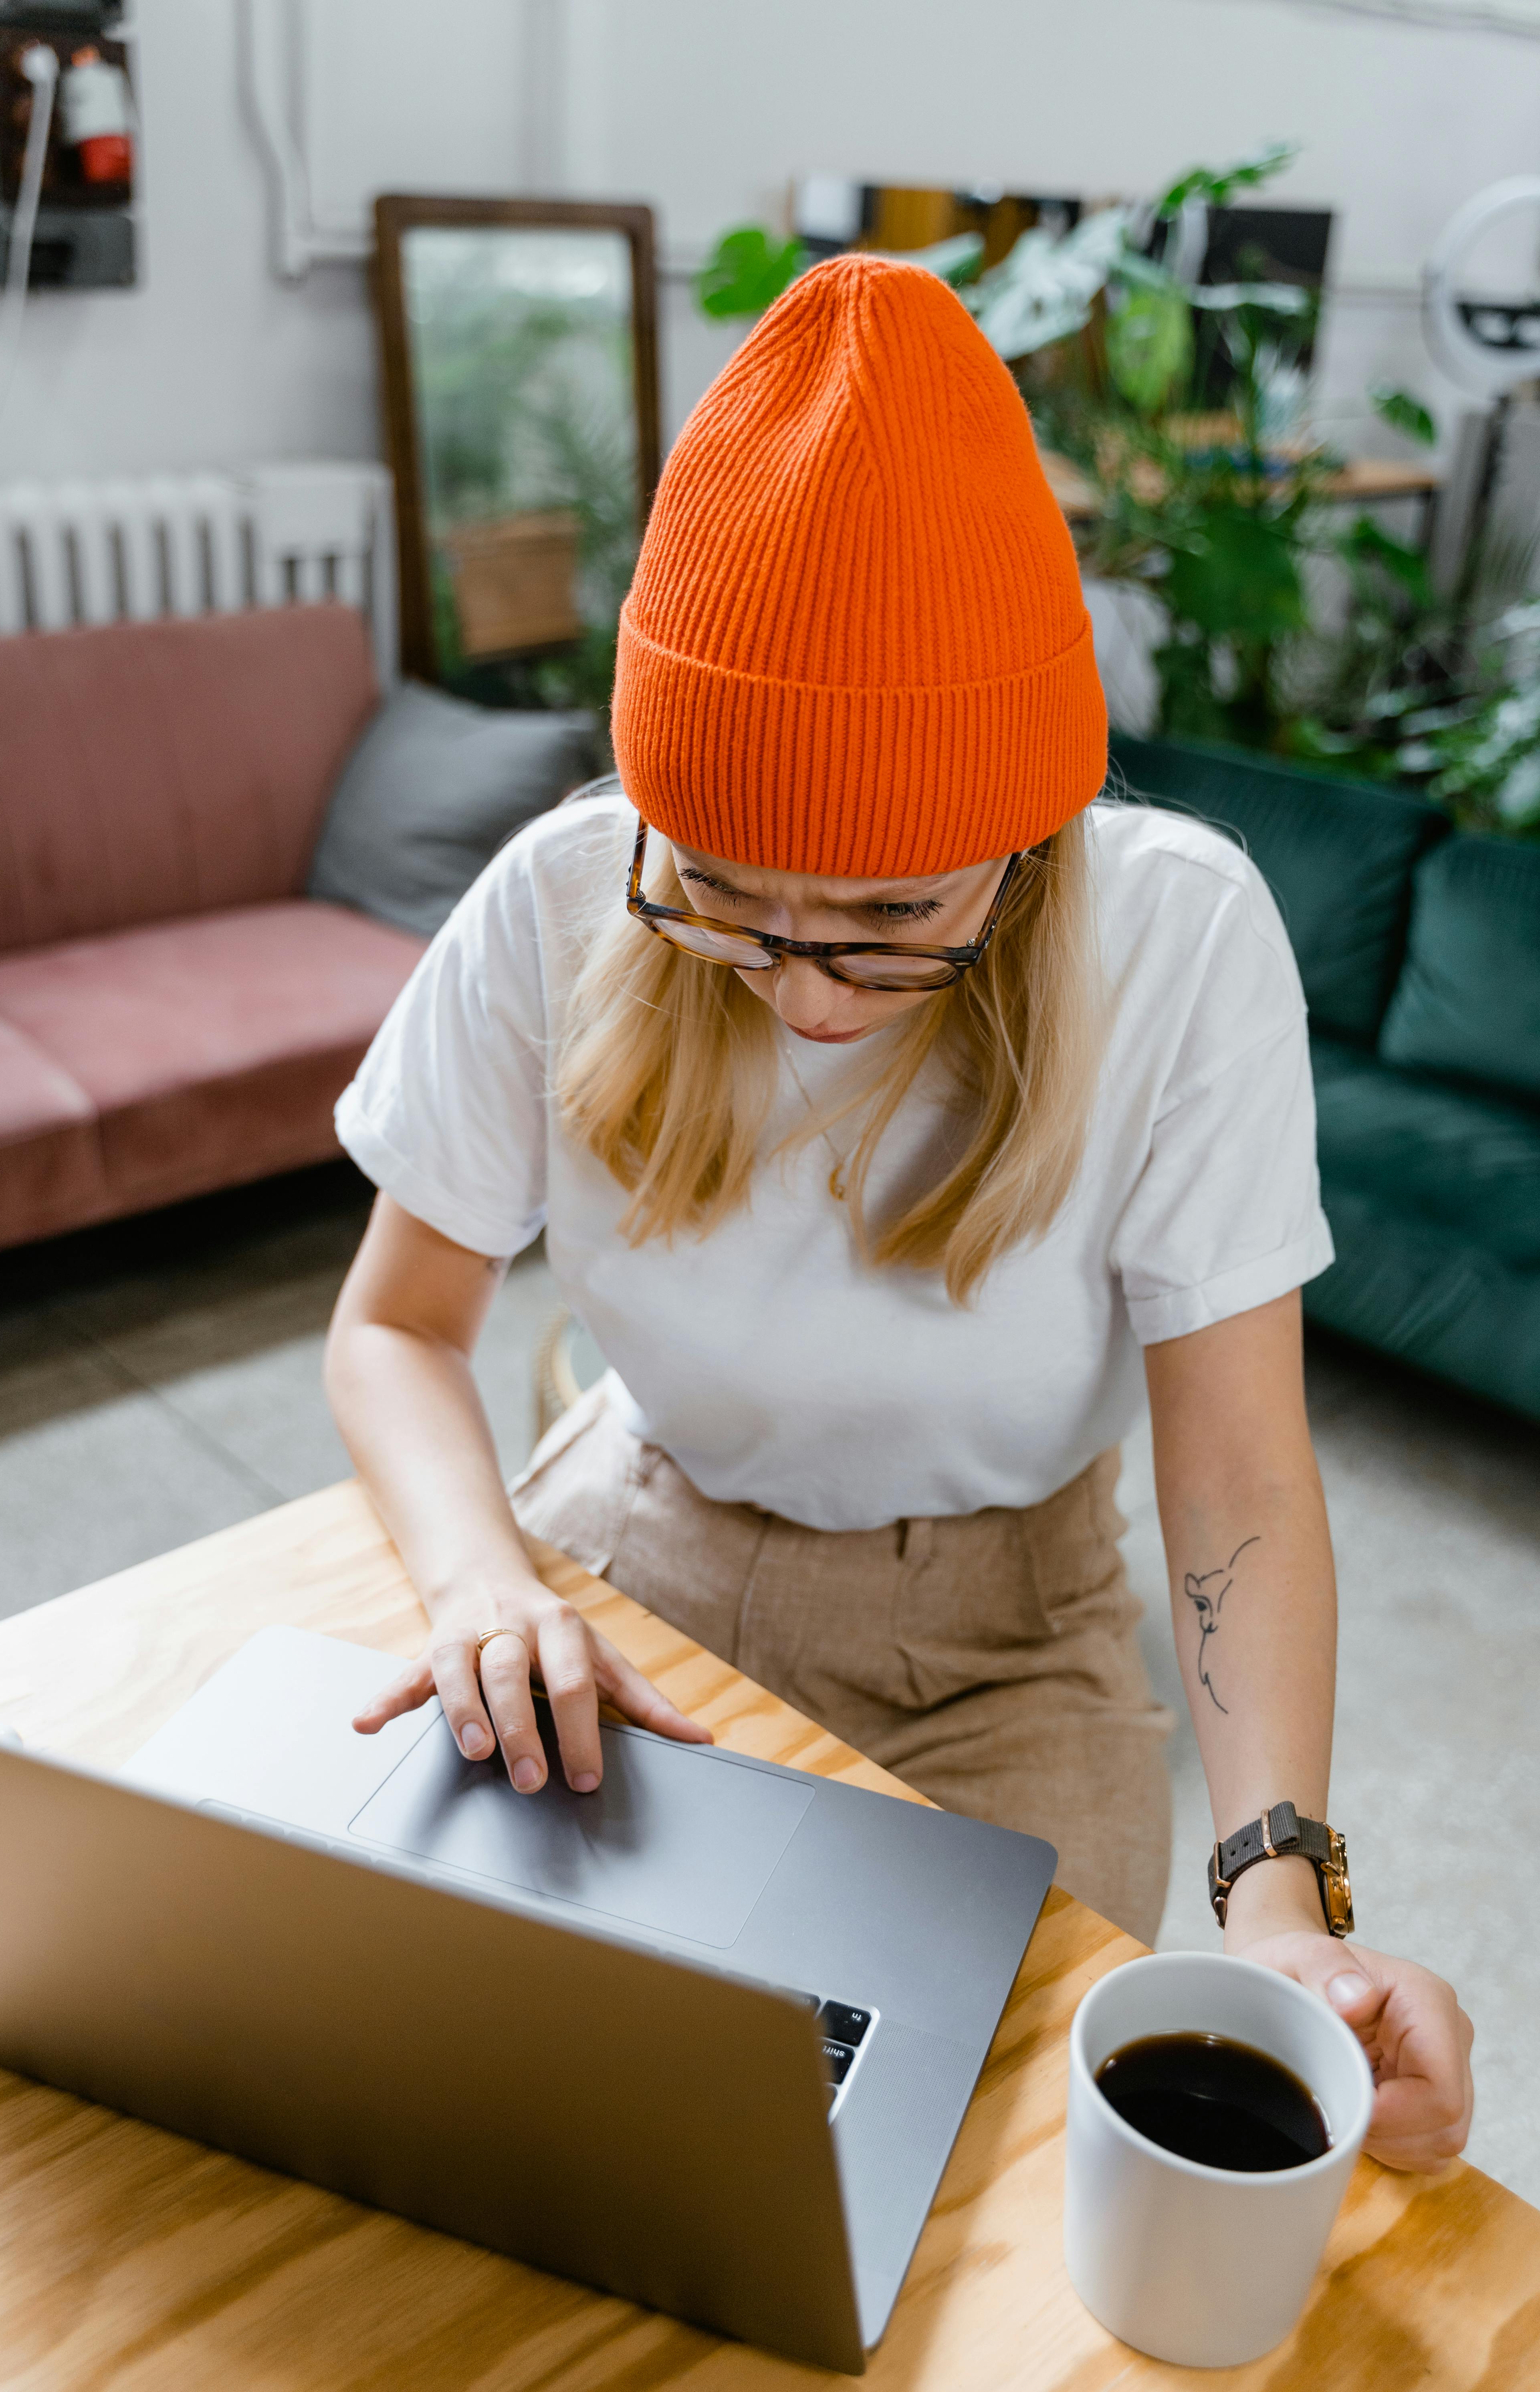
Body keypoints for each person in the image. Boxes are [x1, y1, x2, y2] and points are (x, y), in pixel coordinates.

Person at [325, 256, 1472, 2173]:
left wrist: (1281, 1896)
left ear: (1024, 854)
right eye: (726, 899)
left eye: (886, 921)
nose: (800, 990)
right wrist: (482, 1582)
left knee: (974, 2163)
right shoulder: (553, 897)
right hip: (633, 1552)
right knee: (496, 2105)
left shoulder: (1176, 940)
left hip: (1001, 1644)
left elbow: (1240, 1467)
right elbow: (394, 1325)